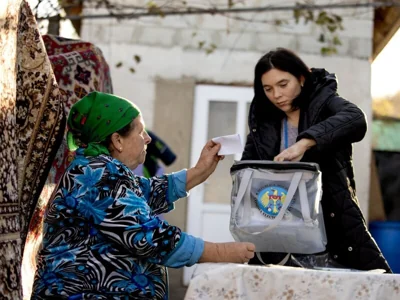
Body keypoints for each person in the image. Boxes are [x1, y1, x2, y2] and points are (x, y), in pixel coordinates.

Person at [31, 91, 255, 299]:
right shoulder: (97, 174)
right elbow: (149, 238)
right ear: (117, 140)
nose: (148, 139)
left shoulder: (98, 170)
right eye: (140, 131)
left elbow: (145, 193)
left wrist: (199, 171)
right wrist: (220, 251)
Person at [241, 48, 392, 273]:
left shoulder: (324, 101)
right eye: (268, 89)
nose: (276, 95)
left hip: (333, 222)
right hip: (279, 224)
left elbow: (355, 119)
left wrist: (305, 142)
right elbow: (249, 171)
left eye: (283, 85)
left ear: (301, 79)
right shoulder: (263, 121)